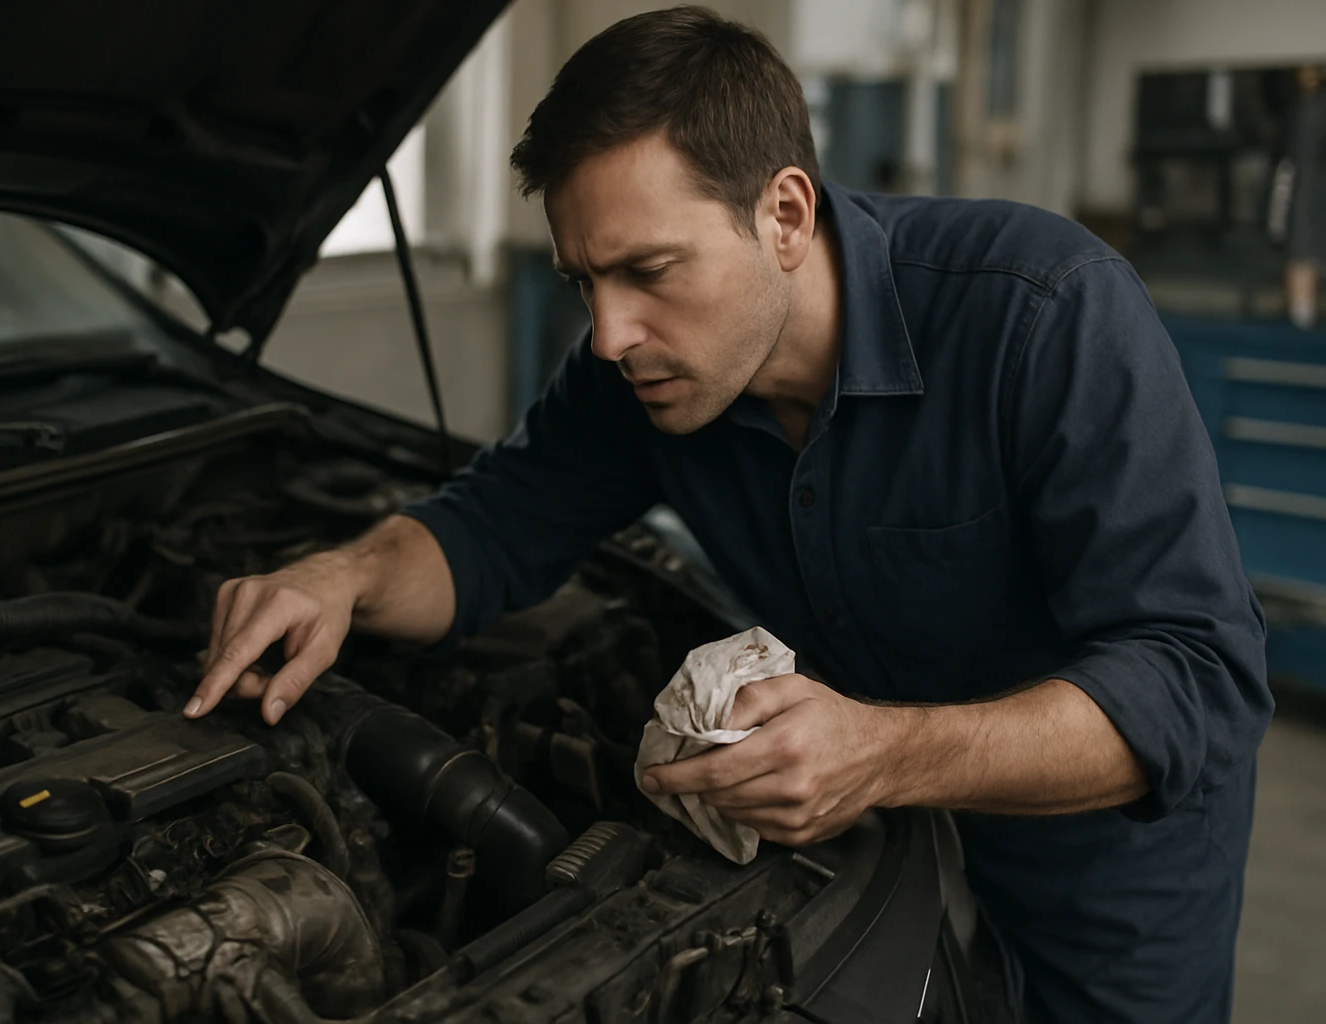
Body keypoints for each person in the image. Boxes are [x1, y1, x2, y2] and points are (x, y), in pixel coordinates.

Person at [186, 8, 1270, 1022]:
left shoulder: (1045, 316)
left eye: (647, 270)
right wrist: (345, 574)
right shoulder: (639, 378)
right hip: (863, 848)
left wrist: (882, 755)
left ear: (785, 214)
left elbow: (1198, 679)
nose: (609, 334)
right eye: (581, 283)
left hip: (1099, 885)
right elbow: (488, 529)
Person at [1283, 65, 1325, 329]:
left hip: (1312, 182)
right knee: (1302, 246)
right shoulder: (1299, 109)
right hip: (1303, 182)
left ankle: (1303, 312)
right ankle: (1301, 312)